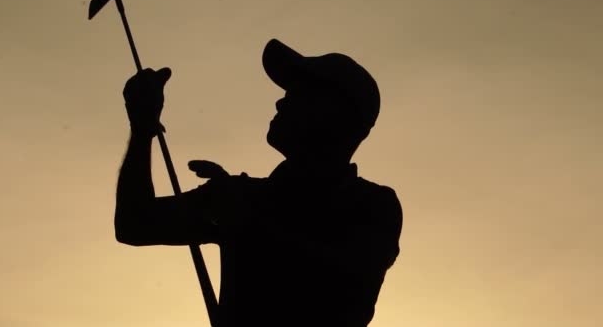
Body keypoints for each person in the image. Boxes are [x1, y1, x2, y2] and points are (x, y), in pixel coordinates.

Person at [115, 39, 403, 326]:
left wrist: (246, 221)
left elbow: (347, 278)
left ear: (331, 114)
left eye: (299, 93)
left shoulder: (373, 205)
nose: (281, 100)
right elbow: (134, 224)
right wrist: (142, 129)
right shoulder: (241, 195)